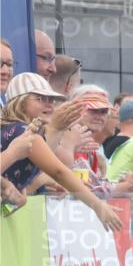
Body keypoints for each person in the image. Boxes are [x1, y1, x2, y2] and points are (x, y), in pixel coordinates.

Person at [1, 80, 121, 231]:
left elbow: (7, 207)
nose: (50, 104)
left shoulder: (15, 130)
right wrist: (97, 205)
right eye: (41, 98)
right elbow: (59, 172)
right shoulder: (23, 132)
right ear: (20, 102)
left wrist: (17, 200)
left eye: (51, 99)